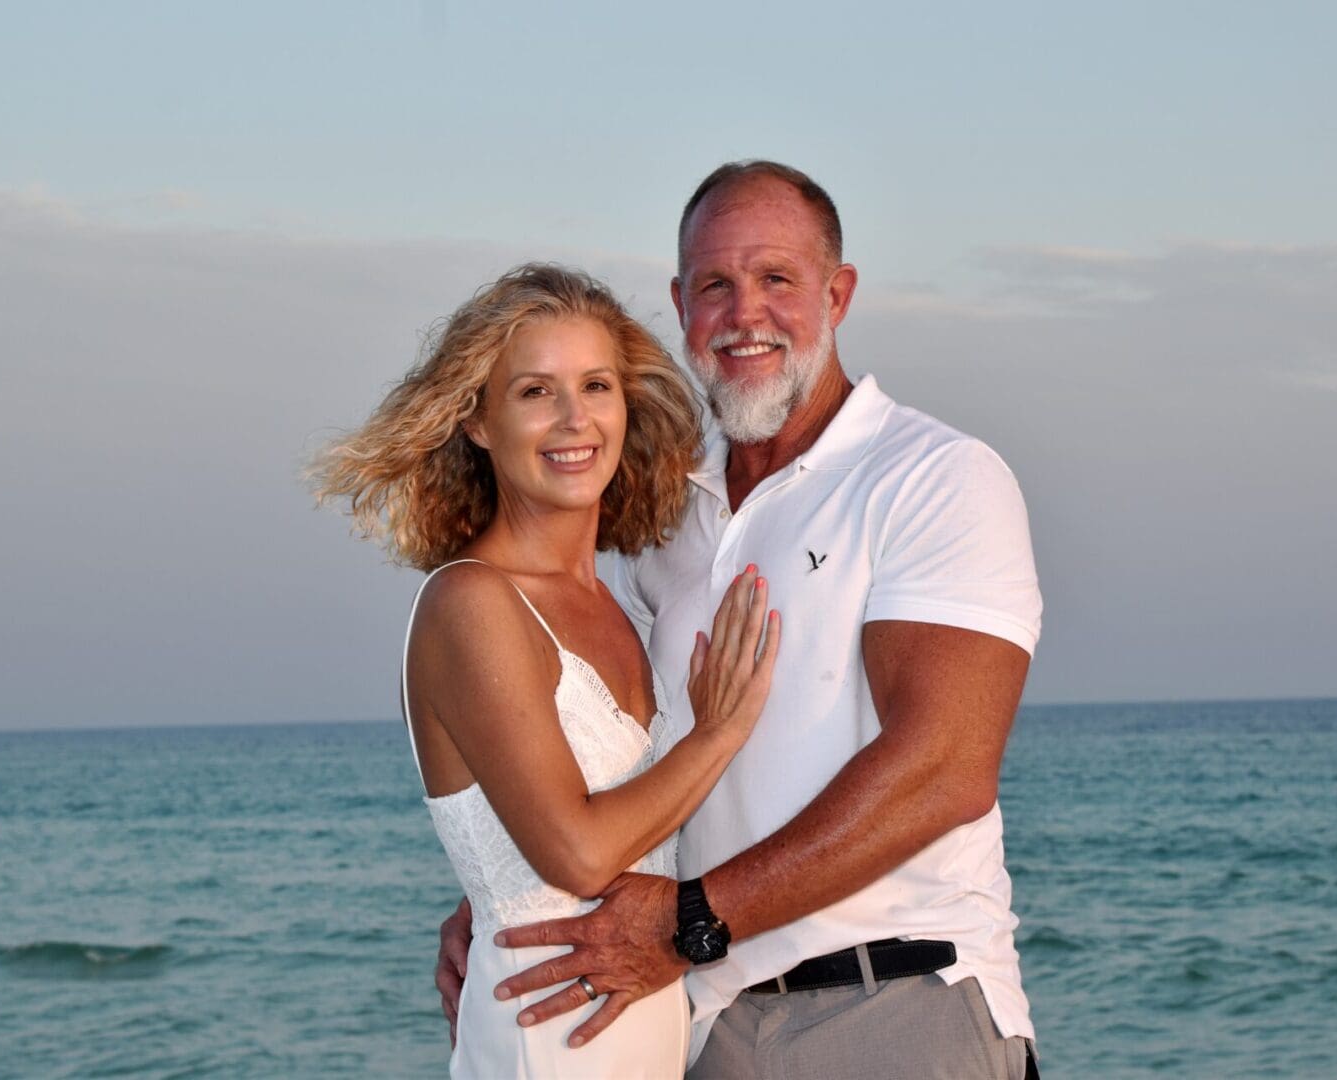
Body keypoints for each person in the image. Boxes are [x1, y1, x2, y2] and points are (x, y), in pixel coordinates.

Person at [436, 163, 1045, 1078]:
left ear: (837, 295)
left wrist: (691, 920)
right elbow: (615, 747)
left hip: (892, 1003)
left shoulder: (932, 478)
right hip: (700, 1023)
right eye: (715, 285)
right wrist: (512, 894)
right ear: (681, 305)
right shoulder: (659, 510)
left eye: (777, 279)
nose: (744, 313)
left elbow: (943, 770)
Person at [313, 263, 782, 1078]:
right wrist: (717, 734)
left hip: (648, 1039)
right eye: (535, 391)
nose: (575, 419)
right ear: (477, 421)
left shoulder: (625, 605)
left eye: (596, 385)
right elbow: (579, 855)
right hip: (545, 1044)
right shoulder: (470, 602)